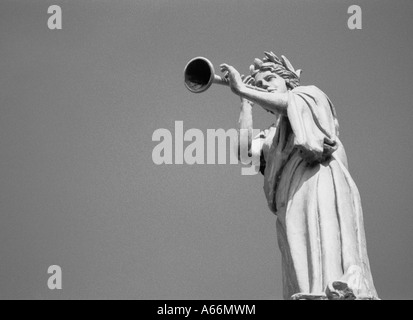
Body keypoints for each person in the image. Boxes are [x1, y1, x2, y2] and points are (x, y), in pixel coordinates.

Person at [220, 52, 378, 300]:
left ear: (289, 81)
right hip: (289, 198)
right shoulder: (271, 134)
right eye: (260, 86)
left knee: (325, 241)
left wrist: (242, 88)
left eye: (270, 78)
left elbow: (289, 104)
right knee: (300, 255)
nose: (265, 86)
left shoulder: (308, 96)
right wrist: (245, 102)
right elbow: (244, 152)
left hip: (317, 180)